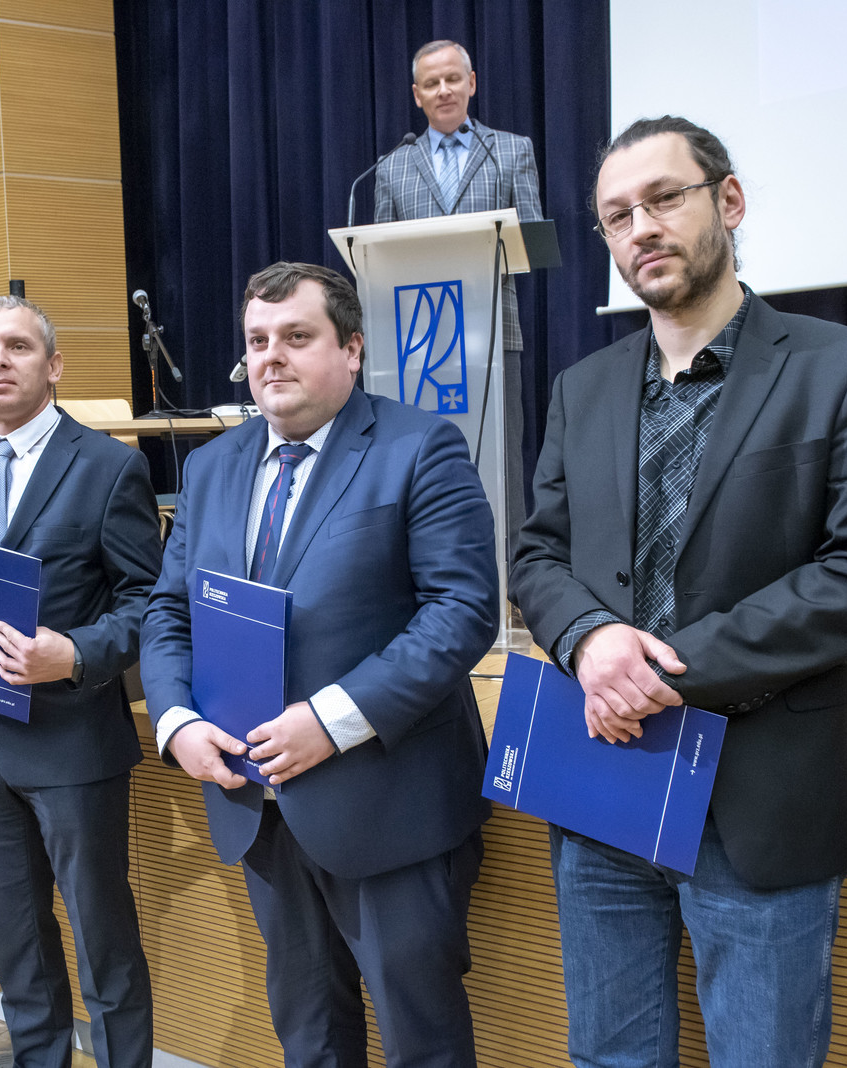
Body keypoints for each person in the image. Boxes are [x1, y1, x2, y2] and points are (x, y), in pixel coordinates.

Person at [509, 116, 847, 1066]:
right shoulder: (581, 388)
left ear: (728, 201)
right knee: (608, 1055)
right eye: (618, 215)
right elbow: (538, 555)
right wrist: (588, 639)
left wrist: (661, 671)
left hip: (760, 789)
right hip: (602, 783)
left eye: (664, 198)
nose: (641, 228)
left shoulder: (843, 368)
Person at [139, 263, 498, 1066]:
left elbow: (462, 612)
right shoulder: (212, 467)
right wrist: (177, 721)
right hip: (256, 803)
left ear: (353, 349)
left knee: (422, 1042)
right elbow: (169, 611)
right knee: (309, 1034)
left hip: (388, 804)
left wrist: (333, 722)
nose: (272, 356)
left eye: (297, 336)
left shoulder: (419, 447)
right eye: (258, 340)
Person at [0, 296, 161, 1068]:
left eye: (16, 346)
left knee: (103, 945)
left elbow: (150, 604)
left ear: (53, 366)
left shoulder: (109, 466)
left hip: (71, 745)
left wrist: (75, 653)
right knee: (16, 948)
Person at [374, 39, 542, 552]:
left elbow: (533, 240)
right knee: (415, 458)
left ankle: (511, 577)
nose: (444, 90)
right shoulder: (392, 166)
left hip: (493, 331)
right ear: (417, 95)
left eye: (453, 79)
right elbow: (377, 258)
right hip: (418, 341)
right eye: (432, 83)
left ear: (471, 83)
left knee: (502, 459)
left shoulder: (510, 151)